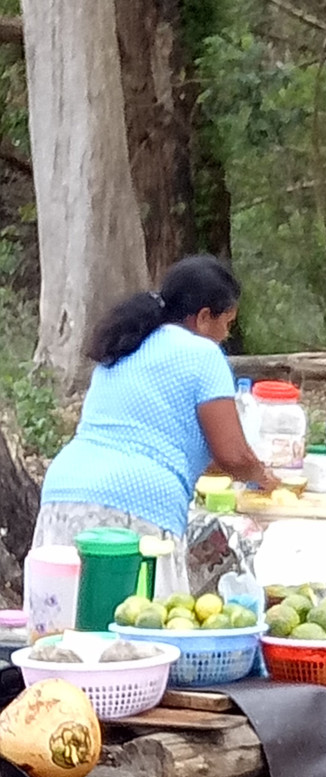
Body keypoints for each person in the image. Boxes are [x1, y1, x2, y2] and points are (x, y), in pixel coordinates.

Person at [33, 254, 278, 595]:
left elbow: (167, 440)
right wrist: (263, 477)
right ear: (205, 317)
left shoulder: (126, 343)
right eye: (228, 323)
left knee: (64, 623)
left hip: (65, 492)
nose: (226, 335)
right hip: (134, 506)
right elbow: (232, 455)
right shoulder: (203, 355)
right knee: (136, 632)